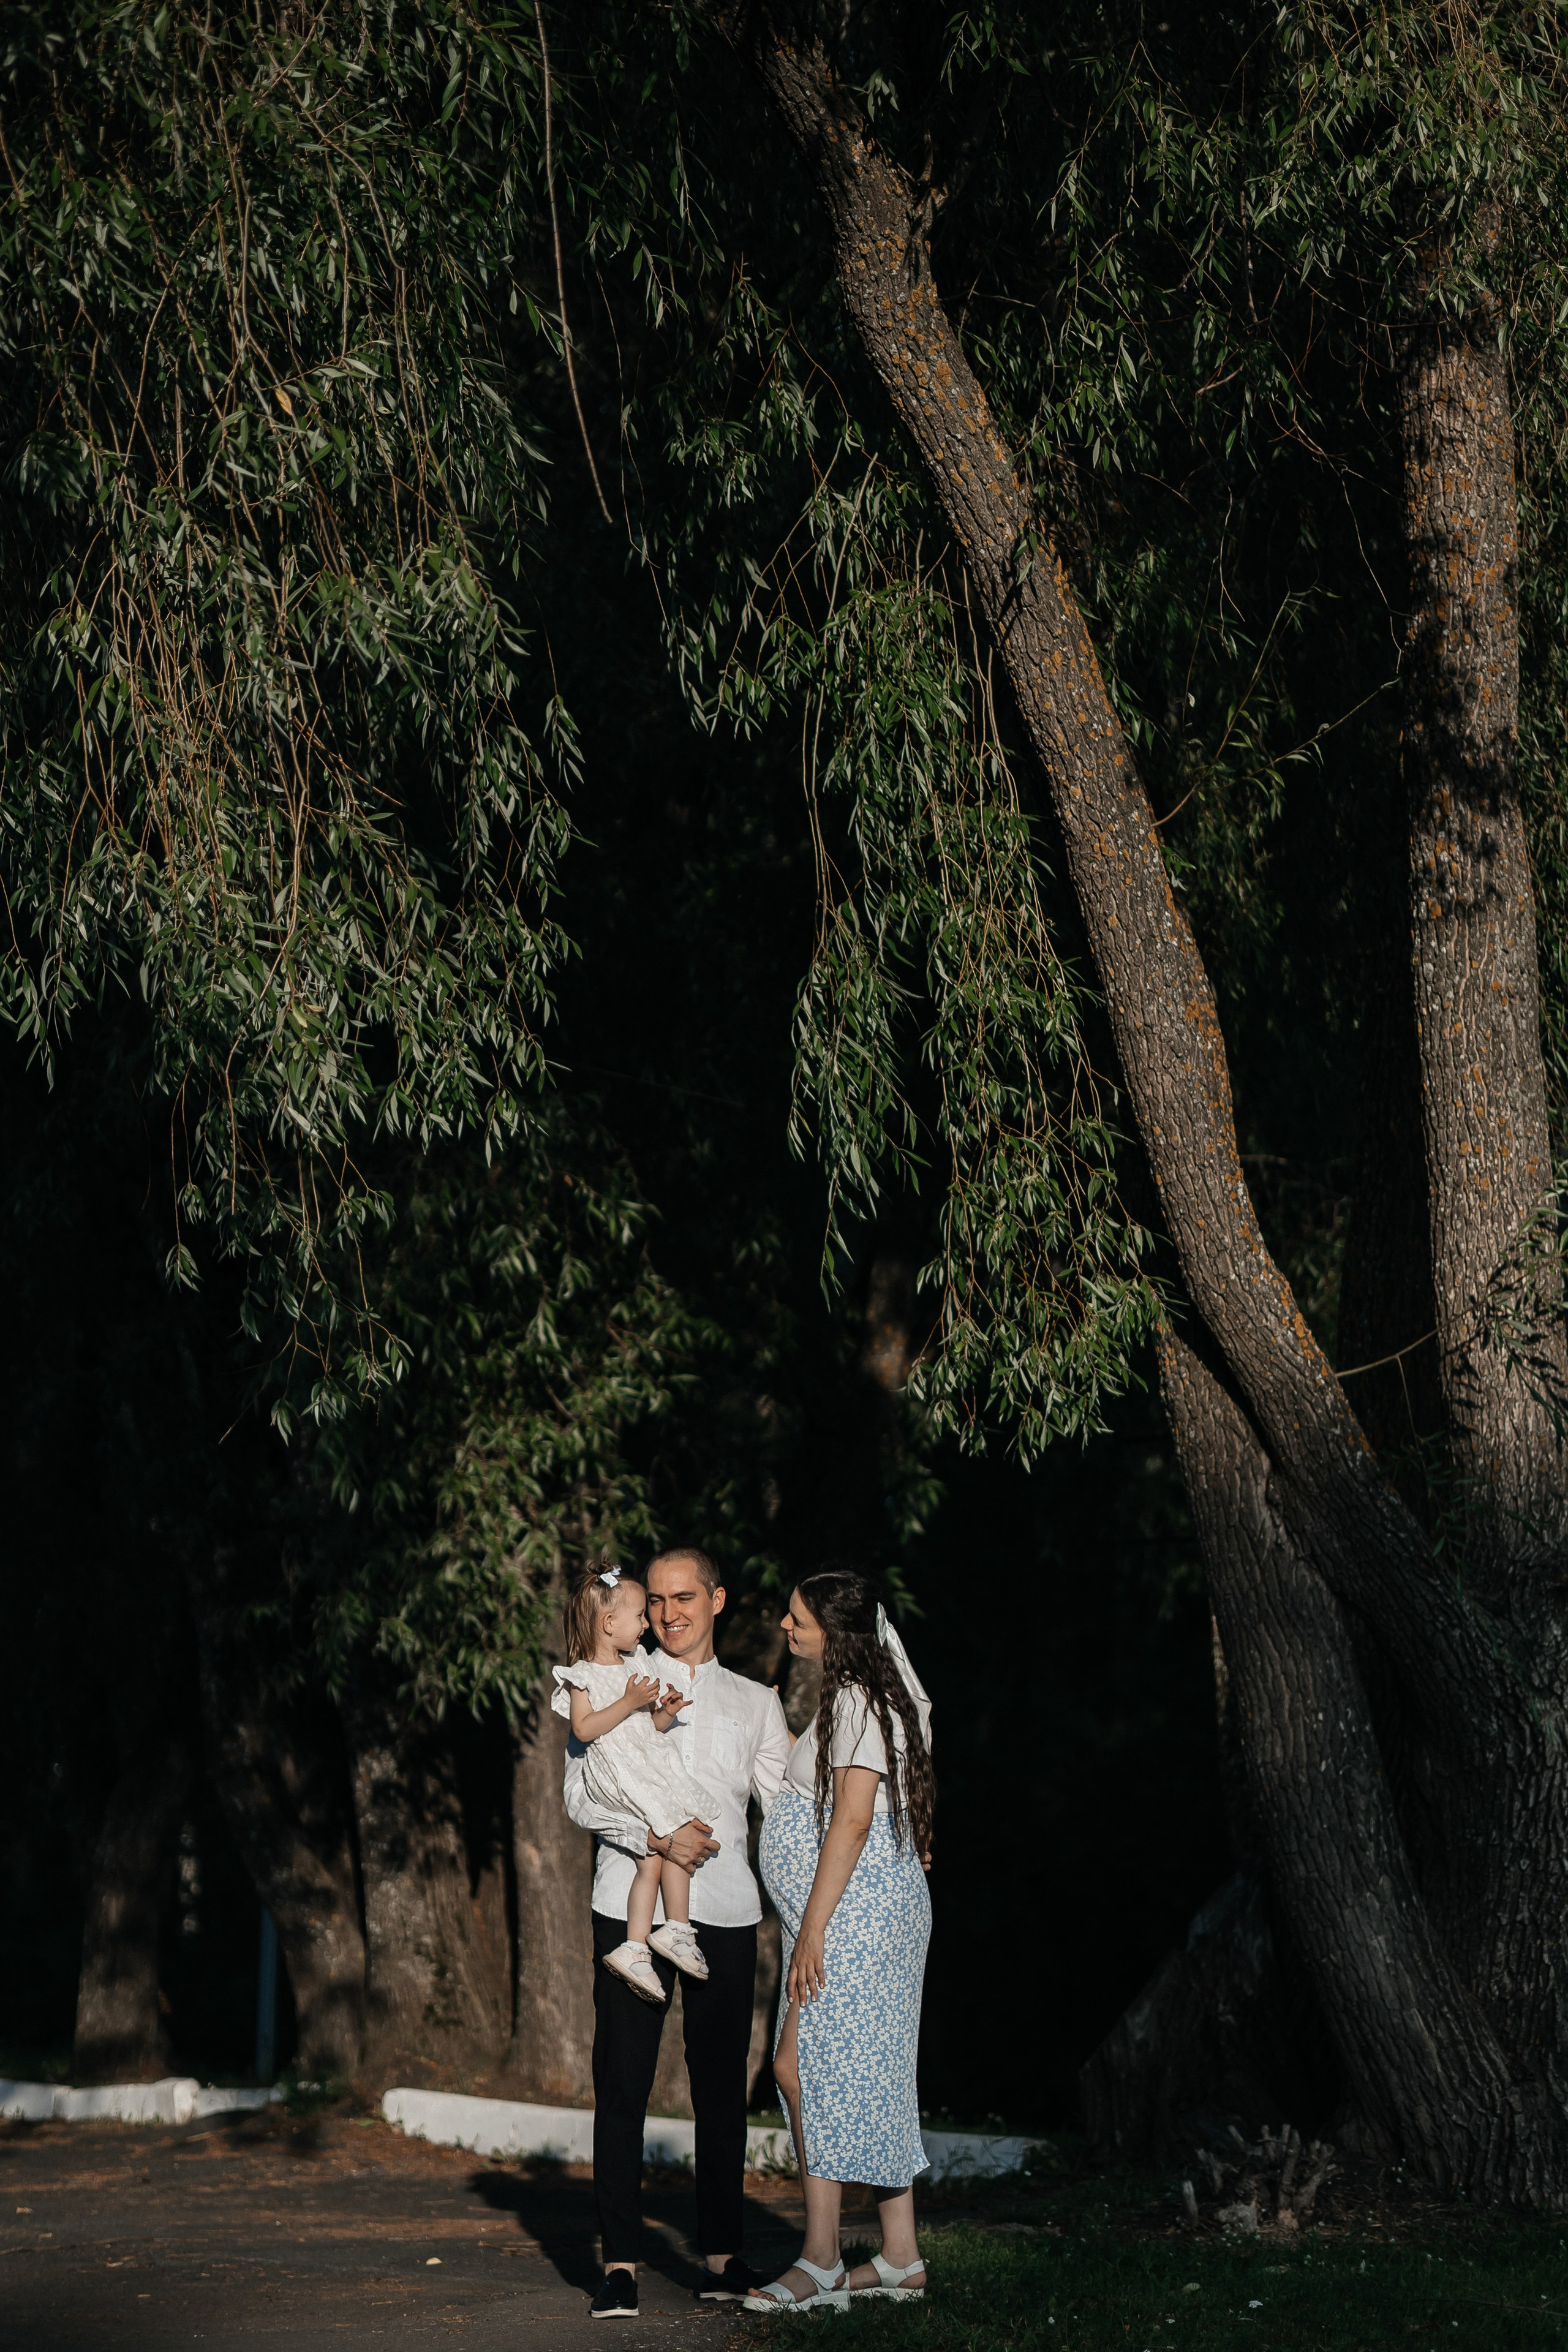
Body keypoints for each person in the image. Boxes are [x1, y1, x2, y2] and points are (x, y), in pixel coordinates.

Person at [562, 1545, 791, 2319]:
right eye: (656, 1600)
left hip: (723, 1914)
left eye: (684, 1597)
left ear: (718, 1600)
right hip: (626, 1905)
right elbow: (580, 1800)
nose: (668, 1613)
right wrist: (660, 1842)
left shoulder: (757, 1703)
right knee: (621, 2088)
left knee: (721, 2094)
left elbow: (785, 1819)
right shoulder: (612, 1678)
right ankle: (619, 2263)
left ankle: (724, 2256)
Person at [746, 1568, 935, 2313]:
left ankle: (822, 2260)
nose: (786, 1630)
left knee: (801, 2068)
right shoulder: (854, 1700)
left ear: (836, 1630)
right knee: (812, 2067)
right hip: (853, 1911)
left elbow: (853, 1819)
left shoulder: (859, 1698)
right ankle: (898, 2258)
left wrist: (811, 1931)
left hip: (853, 1915)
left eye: (797, 1620)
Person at [550, 1563, 715, 2001]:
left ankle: (666, 1933)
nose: (648, 1624)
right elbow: (585, 1730)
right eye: (641, 1615)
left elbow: (643, 1731)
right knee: (663, 1839)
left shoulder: (633, 1663)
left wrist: (664, 1713)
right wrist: (628, 1701)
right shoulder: (584, 1675)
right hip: (615, 1774)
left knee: (676, 1831)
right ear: (609, 1624)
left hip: (640, 1763)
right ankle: (639, 1945)